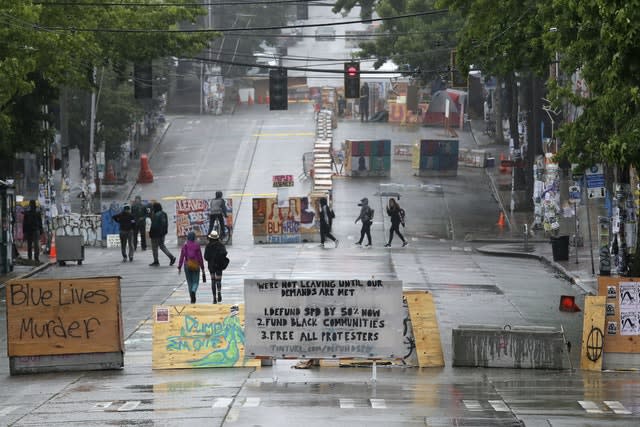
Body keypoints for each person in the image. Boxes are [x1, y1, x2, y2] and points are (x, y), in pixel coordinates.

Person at [177, 231, 206, 304]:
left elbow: (181, 257)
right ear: (194, 237)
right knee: (195, 281)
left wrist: (179, 266)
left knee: (189, 282)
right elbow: (200, 257)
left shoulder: (185, 245)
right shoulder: (197, 245)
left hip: (187, 264)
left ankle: (192, 299)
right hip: (195, 264)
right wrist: (202, 267)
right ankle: (193, 291)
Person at [204, 230, 228, 304]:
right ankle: (219, 292)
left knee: (213, 281)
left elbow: (206, 257)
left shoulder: (208, 246)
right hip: (219, 265)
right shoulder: (221, 245)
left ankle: (214, 298)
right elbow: (225, 253)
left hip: (211, 266)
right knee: (218, 280)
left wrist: (211, 259)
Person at [149, 202, 176, 267]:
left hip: (156, 234)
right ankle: (171, 257)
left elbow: (154, 226)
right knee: (162, 246)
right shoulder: (164, 213)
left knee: (154, 247)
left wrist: (151, 233)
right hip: (162, 233)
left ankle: (156, 261)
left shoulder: (156, 215)